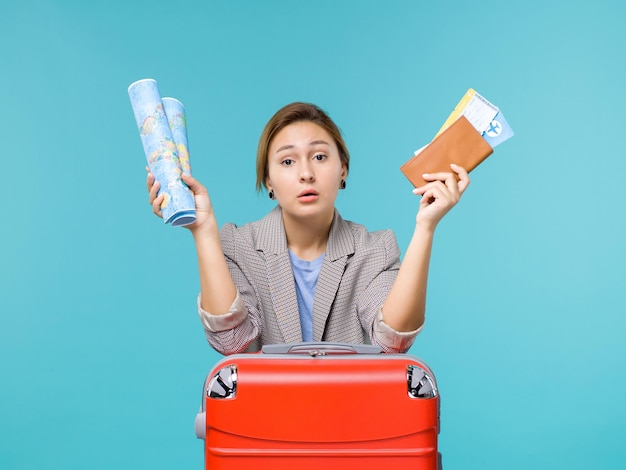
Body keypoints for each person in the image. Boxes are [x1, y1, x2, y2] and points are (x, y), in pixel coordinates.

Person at [147, 102, 469, 355]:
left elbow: (391, 343)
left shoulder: (376, 248)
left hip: (353, 428)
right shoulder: (236, 245)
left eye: (319, 156)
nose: (306, 173)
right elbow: (234, 344)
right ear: (268, 180)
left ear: (342, 169)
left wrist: (426, 227)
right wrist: (203, 230)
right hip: (267, 430)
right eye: (287, 161)